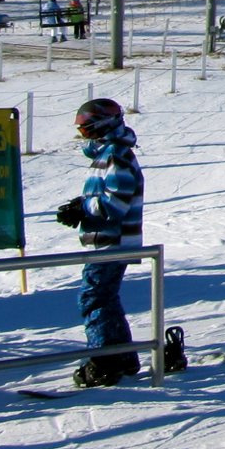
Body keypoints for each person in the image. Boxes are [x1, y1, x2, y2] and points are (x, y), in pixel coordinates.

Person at [53, 98, 144, 387]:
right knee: (105, 297)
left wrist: (85, 209)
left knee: (93, 297)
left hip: (112, 241)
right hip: (105, 240)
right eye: (81, 132)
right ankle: (121, 354)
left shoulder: (116, 154)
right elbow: (104, 196)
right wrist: (79, 205)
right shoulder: (106, 154)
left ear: (104, 126)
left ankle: (104, 359)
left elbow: (115, 203)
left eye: (88, 131)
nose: (84, 137)